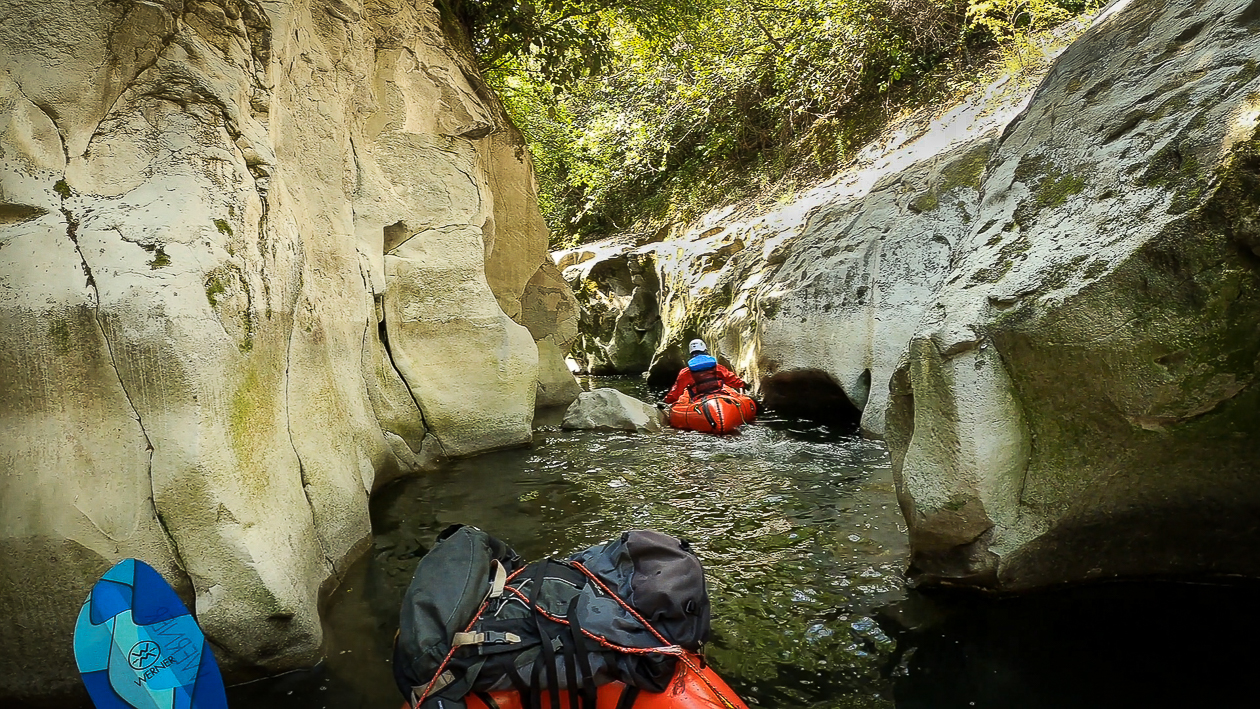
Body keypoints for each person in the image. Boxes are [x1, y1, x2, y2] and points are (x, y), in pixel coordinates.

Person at [663, 339, 746, 405]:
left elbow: (676, 391)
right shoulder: (716, 367)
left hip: (700, 401)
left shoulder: (686, 372)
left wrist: (666, 401)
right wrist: (743, 384)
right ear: (705, 350)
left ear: (691, 353)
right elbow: (730, 378)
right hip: (720, 395)